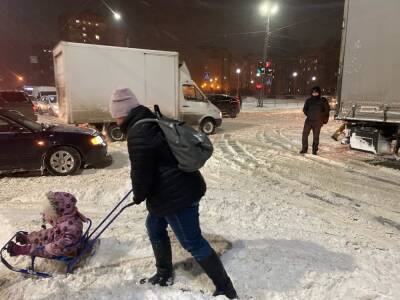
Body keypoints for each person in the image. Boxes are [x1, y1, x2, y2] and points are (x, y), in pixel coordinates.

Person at [109, 88, 237, 299]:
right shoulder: (150, 119)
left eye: (117, 115)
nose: (116, 119)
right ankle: (164, 274)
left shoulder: (138, 132)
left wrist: (139, 195)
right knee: (154, 225)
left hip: (176, 196)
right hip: (179, 186)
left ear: (122, 113)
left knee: (192, 242)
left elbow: (141, 172)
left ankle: (226, 288)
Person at [7, 192, 87, 258]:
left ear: (58, 211)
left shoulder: (72, 227)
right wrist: (47, 216)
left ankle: (20, 250)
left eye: (51, 213)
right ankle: (27, 238)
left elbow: (67, 243)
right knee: (45, 233)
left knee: (40, 246)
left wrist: (50, 246)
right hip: (59, 234)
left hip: (62, 249)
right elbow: (57, 221)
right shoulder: (67, 216)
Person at [300, 86, 330, 155]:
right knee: (304, 135)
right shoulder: (308, 100)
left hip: (318, 122)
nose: (315, 93)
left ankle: (314, 150)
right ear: (311, 93)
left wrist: (321, 116)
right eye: (313, 92)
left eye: (316, 92)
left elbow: (327, 109)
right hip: (309, 121)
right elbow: (305, 109)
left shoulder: (322, 100)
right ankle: (304, 149)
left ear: (319, 93)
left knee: (316, 137)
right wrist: (308, 114)